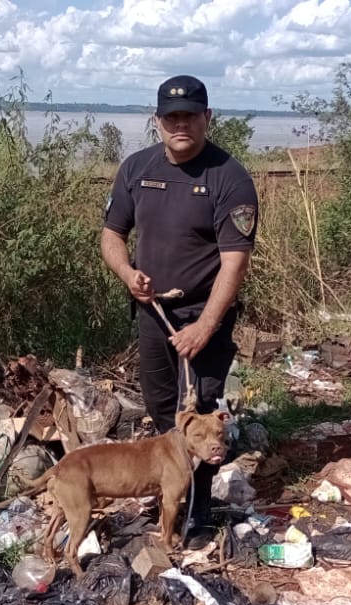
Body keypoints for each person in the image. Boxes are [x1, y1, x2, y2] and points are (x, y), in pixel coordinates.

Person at [100, 74, 259, 549]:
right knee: (162, 410)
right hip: (154, 314)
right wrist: (128, 273)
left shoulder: (229, 177)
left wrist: (206, 326)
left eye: (191, 114)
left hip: (205, 313)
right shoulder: (136, 169)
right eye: (172, 116)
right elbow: (112, 236)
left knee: (203, 412)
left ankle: (197, 513)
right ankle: (170, 489)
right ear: (158, 121)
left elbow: (235, 260)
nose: (181, 123)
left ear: (207, 118)